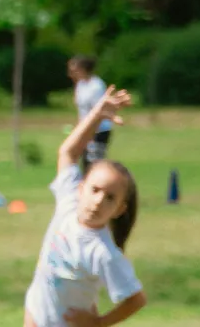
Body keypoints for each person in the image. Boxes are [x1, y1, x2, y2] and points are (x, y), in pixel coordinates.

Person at [24, 86, 147, 327]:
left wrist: (99, 322)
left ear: (120, 209)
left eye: (110, 198)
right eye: (95, 190)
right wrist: (97, 115)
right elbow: (68, 152)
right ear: (81, 189)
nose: (99, 200)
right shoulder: (68, 202)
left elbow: (136, 299)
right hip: (36, 312)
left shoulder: (103, 252)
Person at [69, 55, 122, 163]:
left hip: (98, 130)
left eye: (74, 70)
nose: (71, 74)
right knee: (84, 162)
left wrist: (92, 132)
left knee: (94, 163)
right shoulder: (80, 85)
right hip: (85, 129)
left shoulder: (96, 86)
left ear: (83, 69)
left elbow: (99, 110)